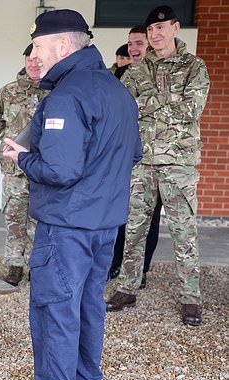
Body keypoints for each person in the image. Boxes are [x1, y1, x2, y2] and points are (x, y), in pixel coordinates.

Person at [1, 9, 141, 380]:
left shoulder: (65, 96)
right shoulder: (118, 92)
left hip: (66, 228)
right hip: (104, 226)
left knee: (55, 314)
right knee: (87, 309)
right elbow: (132, 155)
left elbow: (61, 171)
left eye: (41, 47)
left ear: (63, 44)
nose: (37, 56)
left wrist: (23, 156)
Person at [106, 5, 210, 327]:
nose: (155, 34)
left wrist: (148, 105)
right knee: (134, 229)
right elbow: (126, 111)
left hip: (178, 164)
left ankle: (191, 297)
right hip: (142, 164)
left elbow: (191, 109)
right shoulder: (136, 71)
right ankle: (127, 287)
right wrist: (168, 99)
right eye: (151, 30)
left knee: (184, 233)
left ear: (176, 29)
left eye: (161, 28)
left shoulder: (195, 67)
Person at [0, 43, 48, 286]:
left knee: (39, 219)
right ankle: (14, 265)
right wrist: (11, 142)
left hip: (42, 167)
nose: (34, 64)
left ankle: (36, 265)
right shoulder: (8, 92)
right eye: (29, 60)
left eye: (38, 60)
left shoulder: (54, 91)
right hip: (14, 169)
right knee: (14, 218)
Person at [109, 25, 162, 288]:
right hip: (123, 157)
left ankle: (140, 270)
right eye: (130, 44)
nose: (133, 49)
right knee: (119, 215)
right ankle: (116, 263)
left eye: (139, 43)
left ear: (150, 45)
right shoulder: (119, 76)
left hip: (155, 158)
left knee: (149, 220)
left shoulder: (157, 74)